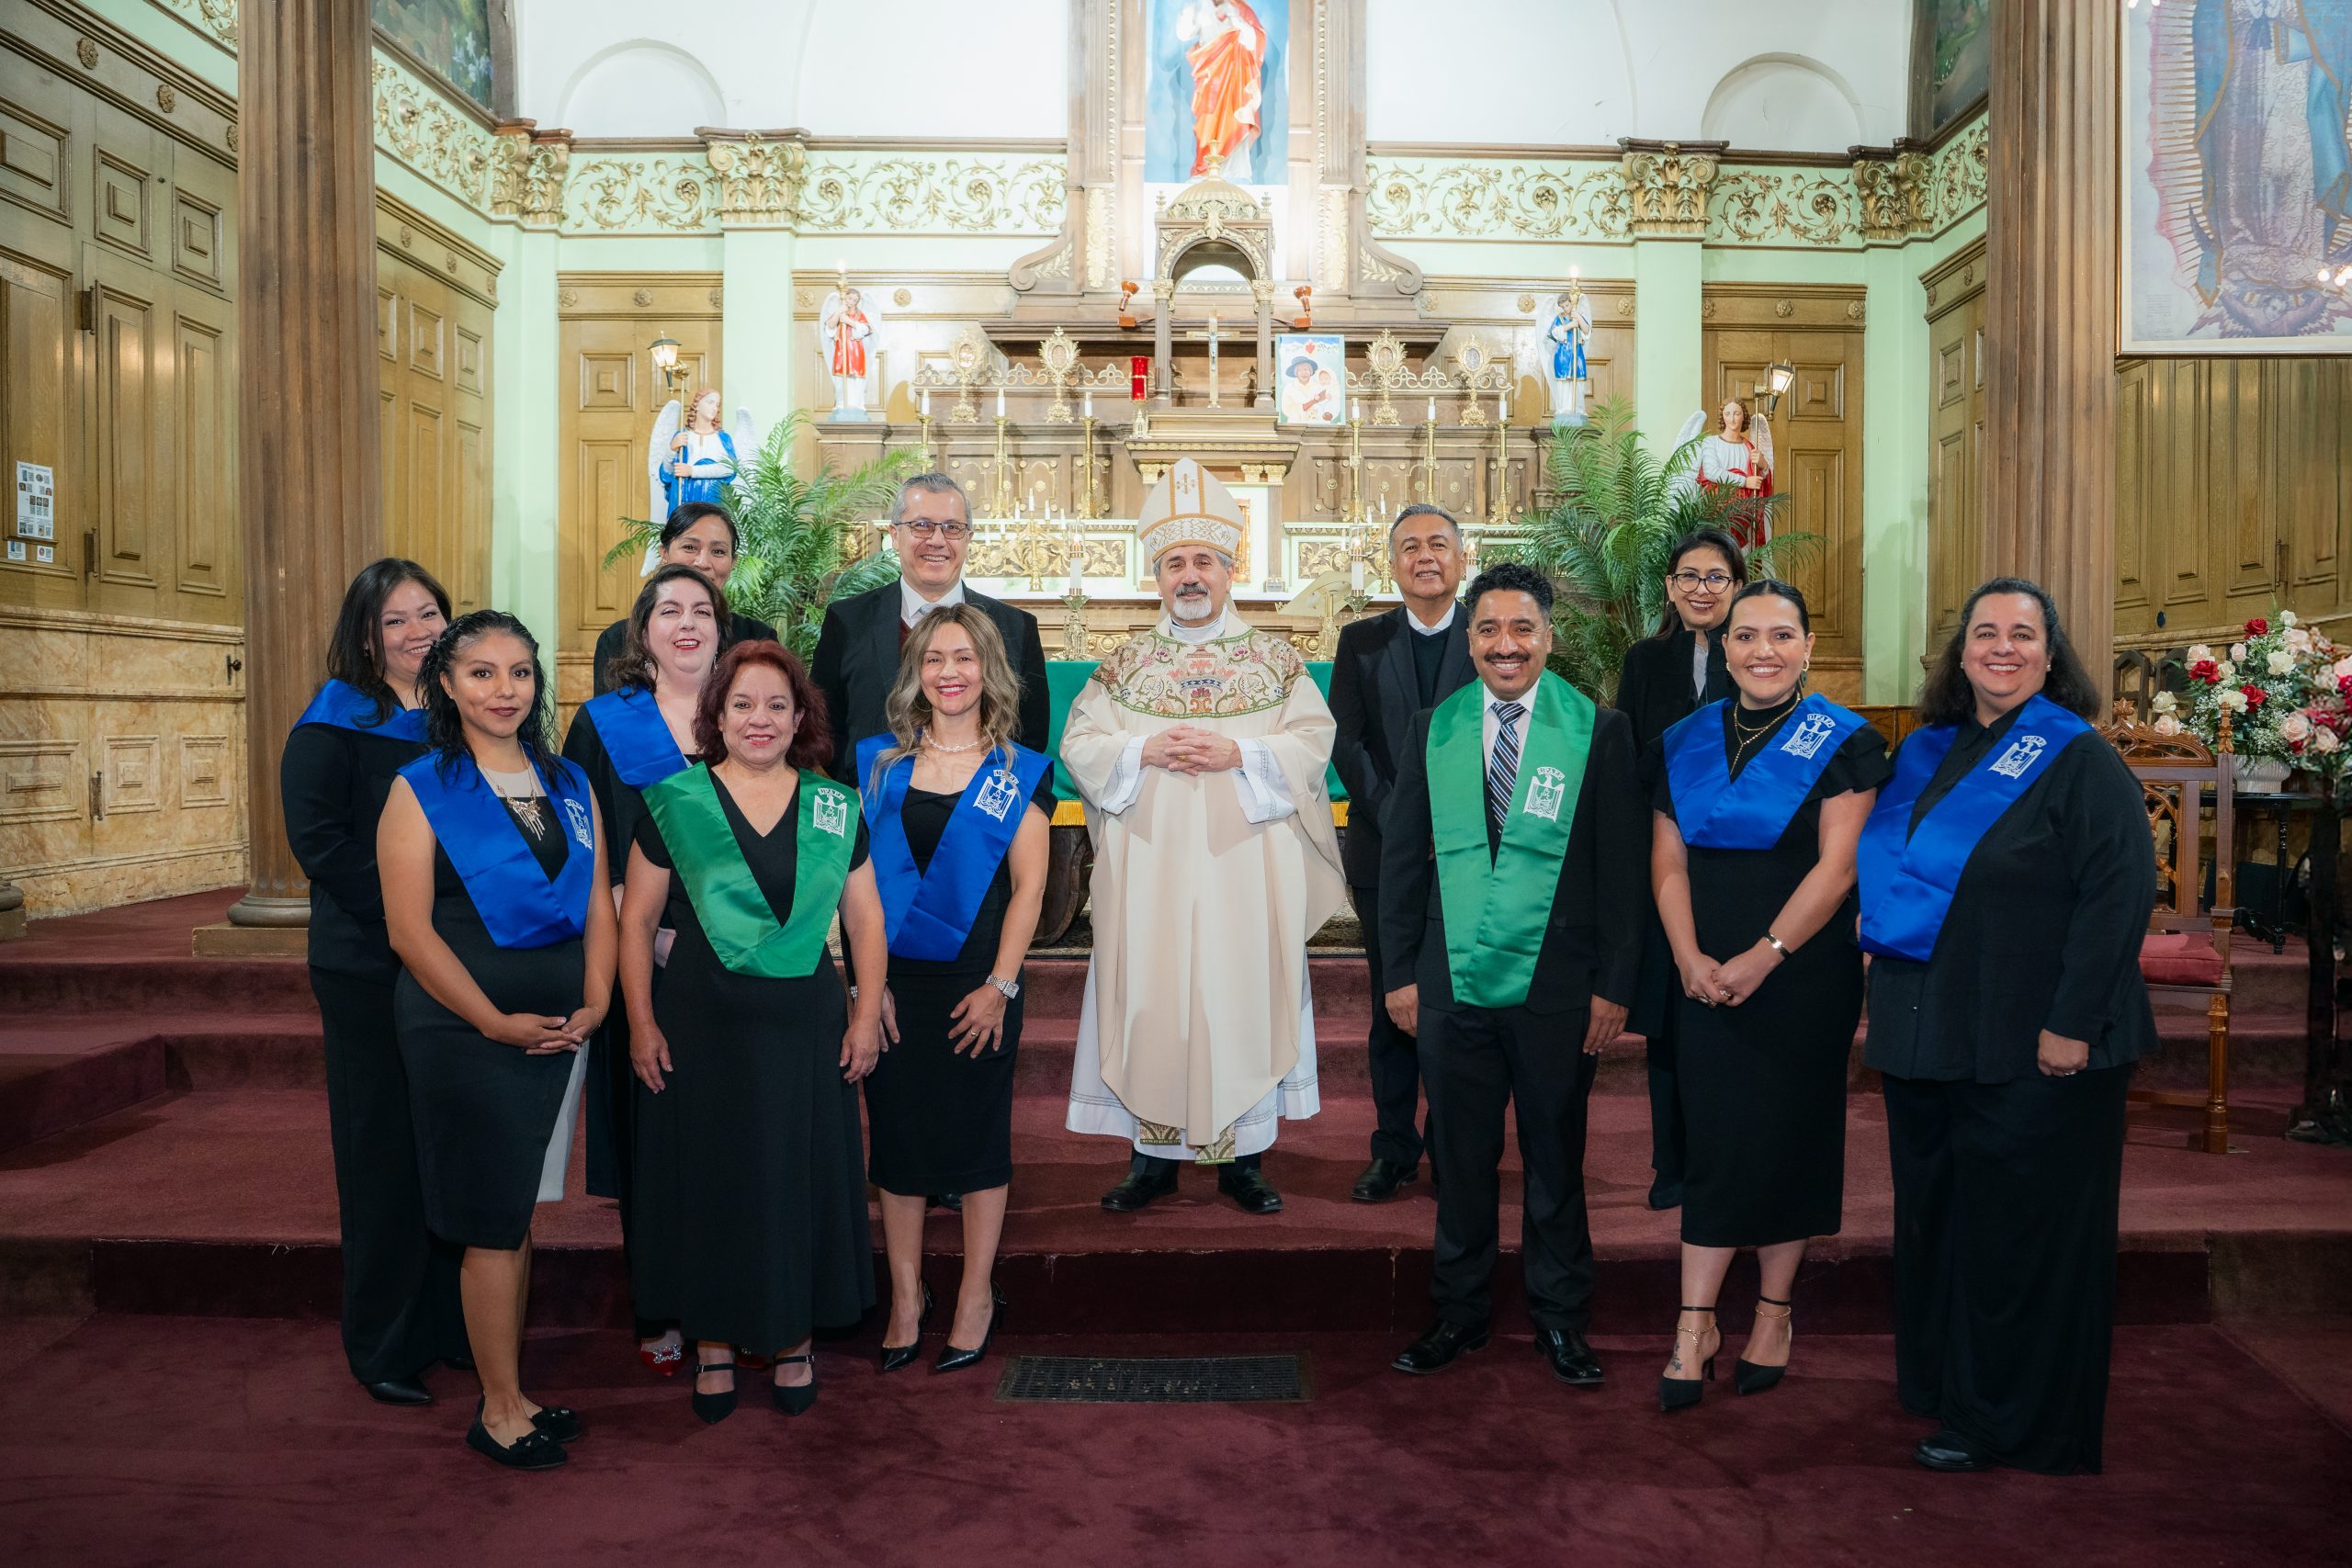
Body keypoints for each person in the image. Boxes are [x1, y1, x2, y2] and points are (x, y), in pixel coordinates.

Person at [1860, 577, 2157, 1476]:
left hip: (2037, 1045)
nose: (2001, 647)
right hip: (1934, 1038)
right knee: (1943, 1226)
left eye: (2022, 634)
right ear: (1959, 655)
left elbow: (2119, 896)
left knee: (2015, 1240)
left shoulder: (2080, 759)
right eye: (1984, 632)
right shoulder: (1926, 751)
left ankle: (2009, 1421)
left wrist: (2073, 1023)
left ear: (2050, 654)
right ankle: (1951, 1384)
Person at [1379, 561, 1642, 1387]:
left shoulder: (1598, 730)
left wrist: (1615, 984)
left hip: (1557, 987)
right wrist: (1399, 972)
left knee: (1555, 1157)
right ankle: (1459, 1312)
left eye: (1522, 628)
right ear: (1469, 640)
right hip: (1449, 981)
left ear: (1548, 638)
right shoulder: (1435, 728)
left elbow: (1622, 869)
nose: (1506, 644)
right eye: (1489, 629)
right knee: (1460, 1159)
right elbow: (1401, 861)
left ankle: (1561, 1317)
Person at [1062, 457, 1346, 1213]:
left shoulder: (1274, 662)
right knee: (1148, 996)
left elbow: (1312, 744)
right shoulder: (1125, 665)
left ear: (1229, 569)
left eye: (1204, 561)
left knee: (1240, 996)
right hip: (1150, 867)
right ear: (1157, 575)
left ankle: (1243, 1160)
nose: (1190, 575)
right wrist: (1142, 749)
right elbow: (1080, 744)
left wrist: (1239, 753)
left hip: (1245, 869)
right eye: (1175, 562)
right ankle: (1150, 1160)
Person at [618, 641, 886, 1423]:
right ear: (718, 715)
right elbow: (635, 921)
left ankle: (795, 1338)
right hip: (699, 1025)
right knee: (712, 1179)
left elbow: (866, 918)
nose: (758, 719)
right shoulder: (674, 801)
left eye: (776, 705)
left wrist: (866, 1012)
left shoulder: (834, 805)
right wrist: (640, 1021)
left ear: (800, 717)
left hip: (805, 1028)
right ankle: (713, 1344)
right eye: (742, 704)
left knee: (794, 1177)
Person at [379, 611, 614, 1471]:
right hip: (463, 1032)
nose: (504, 689)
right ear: (446, 684)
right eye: (481, 672)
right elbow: (409, 931)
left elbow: (598, 903)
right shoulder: (419, 788)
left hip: (556, 1031)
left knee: (515, 1214)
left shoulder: (568, 781)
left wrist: (598, 998)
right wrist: (488, 1019)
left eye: (519, 672)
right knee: (489, 1219)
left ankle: (512, 1389)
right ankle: (499, 1408)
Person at [1648, 581, 1889, 1412]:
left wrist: (1766, 954)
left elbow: (1839, 866)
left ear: (1808, 647)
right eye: (1747, 635)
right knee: (1713, 1140)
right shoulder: (1683, 739)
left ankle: (1775, 1313)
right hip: (1703, 969)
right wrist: (1687, 953)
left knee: (1791, 1135)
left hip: (1801, 972)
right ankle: (1695, 1324)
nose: (1763, 650)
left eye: (1782, 635)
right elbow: (1668, 859)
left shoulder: (1847, 741)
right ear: (1724, 647)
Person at [282, 558, 468, 1407]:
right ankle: (384, 1342)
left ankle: (453, 1323)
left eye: (429, 614)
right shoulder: (331, 725)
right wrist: (411, 918)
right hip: (367, 965)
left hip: (457, 964)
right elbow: (322, 846)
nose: (418, 632)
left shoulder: (463, 715)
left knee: (449, 1147)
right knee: (382, 1154)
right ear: (366, 636)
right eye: (396, 620)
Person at [854, 606, 1055, 1373]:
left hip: (981, 983)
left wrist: (1001, 986)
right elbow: (858, 890)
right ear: (916, 672)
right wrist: (868, 987)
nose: (949, 672)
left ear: (988, 670)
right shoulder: (879, 766)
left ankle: (974, 1294)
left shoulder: (1014, 769)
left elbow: (1029, 889)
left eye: (965, 658)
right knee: (897, 1138)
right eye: (935, 658)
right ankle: (907, 1295)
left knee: (977, 1138)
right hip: (895, 983)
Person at [562, 563, 723, 1379]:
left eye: (702, 611)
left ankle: (733, 1301)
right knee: (654, 1136)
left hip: (739, 960)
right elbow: (578, 836)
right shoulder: (604, 724)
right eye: (669, 610)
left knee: (731, 1134)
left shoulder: (750, 713)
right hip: (642, 959)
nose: (686, 624)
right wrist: (627, 911)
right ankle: (661, 1302)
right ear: (644, 629)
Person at [1327, 503, 1475, 1202]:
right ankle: (1392, 1147)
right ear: (1392, 565)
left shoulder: (1490, 635)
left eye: (1438, 545)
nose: (1425, 557)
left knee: (1458, 1005)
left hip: (1472, 853)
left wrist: (1452, 825)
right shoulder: (1361, 641)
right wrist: (1401, 820)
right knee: (1393, 1001)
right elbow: (1345, 740)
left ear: (1461, 560)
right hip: (1385, 853)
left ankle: (1452, 1146)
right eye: (1410, 547)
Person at [1614, 527, 1747, 1213]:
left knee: (1726, 1018)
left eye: (1716, 577)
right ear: (1669, 587)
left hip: (1736, 863)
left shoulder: (1755, 655)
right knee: (1669, 1021)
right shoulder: (1645, 660)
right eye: (1689, 576)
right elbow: (1628, 753)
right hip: (1662, 856)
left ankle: (1723, 1161)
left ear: (1737, 587)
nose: (1701, 588)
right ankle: (1670, 1164)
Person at [812, 472, 1051, 782]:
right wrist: (861, 786)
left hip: (979, 808)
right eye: (922, 525)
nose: (937, 540)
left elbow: (1030, 735)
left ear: (968, 538)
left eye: (952, 527)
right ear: (894, 535)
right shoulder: (847, 621)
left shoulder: (1016, 627)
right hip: (871, 802)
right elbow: (822, 725)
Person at [591, 502, 777, 697]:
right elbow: (607, 714)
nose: (703, 563)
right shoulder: (618, 639)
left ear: (733, 562)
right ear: (664, 553)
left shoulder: (757, 637)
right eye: (690, 547)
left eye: (718, 551)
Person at [660, 388, 738, 518]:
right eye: (710, 402)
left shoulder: (722, 439)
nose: (714, 408)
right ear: (697, 405)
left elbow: (729, 469)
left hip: (712, 501)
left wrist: (692, 471)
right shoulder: (682, 436)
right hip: (686, 499)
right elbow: (667, 473)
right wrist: (672, 450)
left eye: (717, 405)